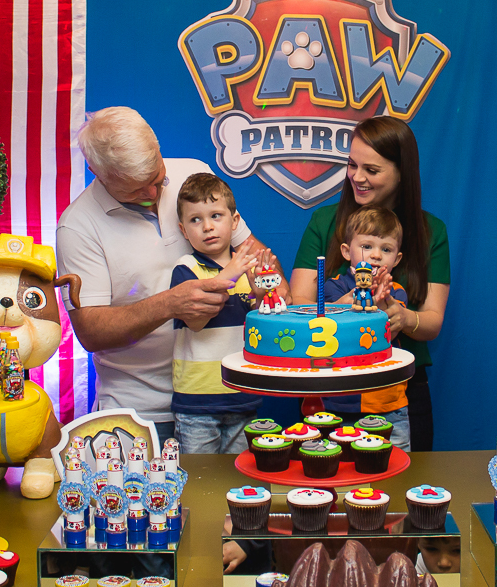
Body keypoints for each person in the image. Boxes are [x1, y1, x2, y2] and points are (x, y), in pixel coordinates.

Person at [56, 107, 284, 443]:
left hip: (228, 393)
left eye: (157, 178)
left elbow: (253, 254)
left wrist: (273, 288)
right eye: (135, 189)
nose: (152, 195)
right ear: (96, 172)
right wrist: (170, 304)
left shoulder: (193, 175)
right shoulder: (77, 226)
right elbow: (91, 332)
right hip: (140, 413)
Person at [291, 116, 449, 451]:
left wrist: (401, 318)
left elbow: (432, 320)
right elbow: (299, 307)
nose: (357, 177)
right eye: (352, 165)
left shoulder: (430, 231)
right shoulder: (324, 221)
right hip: (332, 388)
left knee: (402, 493)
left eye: (372, 170)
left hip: (399, 391)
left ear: (402, 171)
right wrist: (347, 306)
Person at [169, 173, 270, 453]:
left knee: (239, 480)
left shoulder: (247, 269)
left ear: (234, 221)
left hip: (243, 395)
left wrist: (261, 293)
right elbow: (197, 321)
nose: (207, 227)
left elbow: (261, 321)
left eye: (216, 215)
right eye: (195, 220)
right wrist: (232, 273)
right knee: (201, 483)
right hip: (197, 401)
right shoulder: (187, 269)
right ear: (183, 229)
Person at [319, 206, 411, 448]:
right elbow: (327, 324)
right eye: (367, 246)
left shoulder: (397, 291)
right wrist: (350, 300)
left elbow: (389, 329)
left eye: (386, 249)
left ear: (397, 258)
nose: (376, 255)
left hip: (387, 402)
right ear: (347, 252)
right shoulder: (334, 287)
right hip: (339, 401)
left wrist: (381, 301)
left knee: (393, 469)